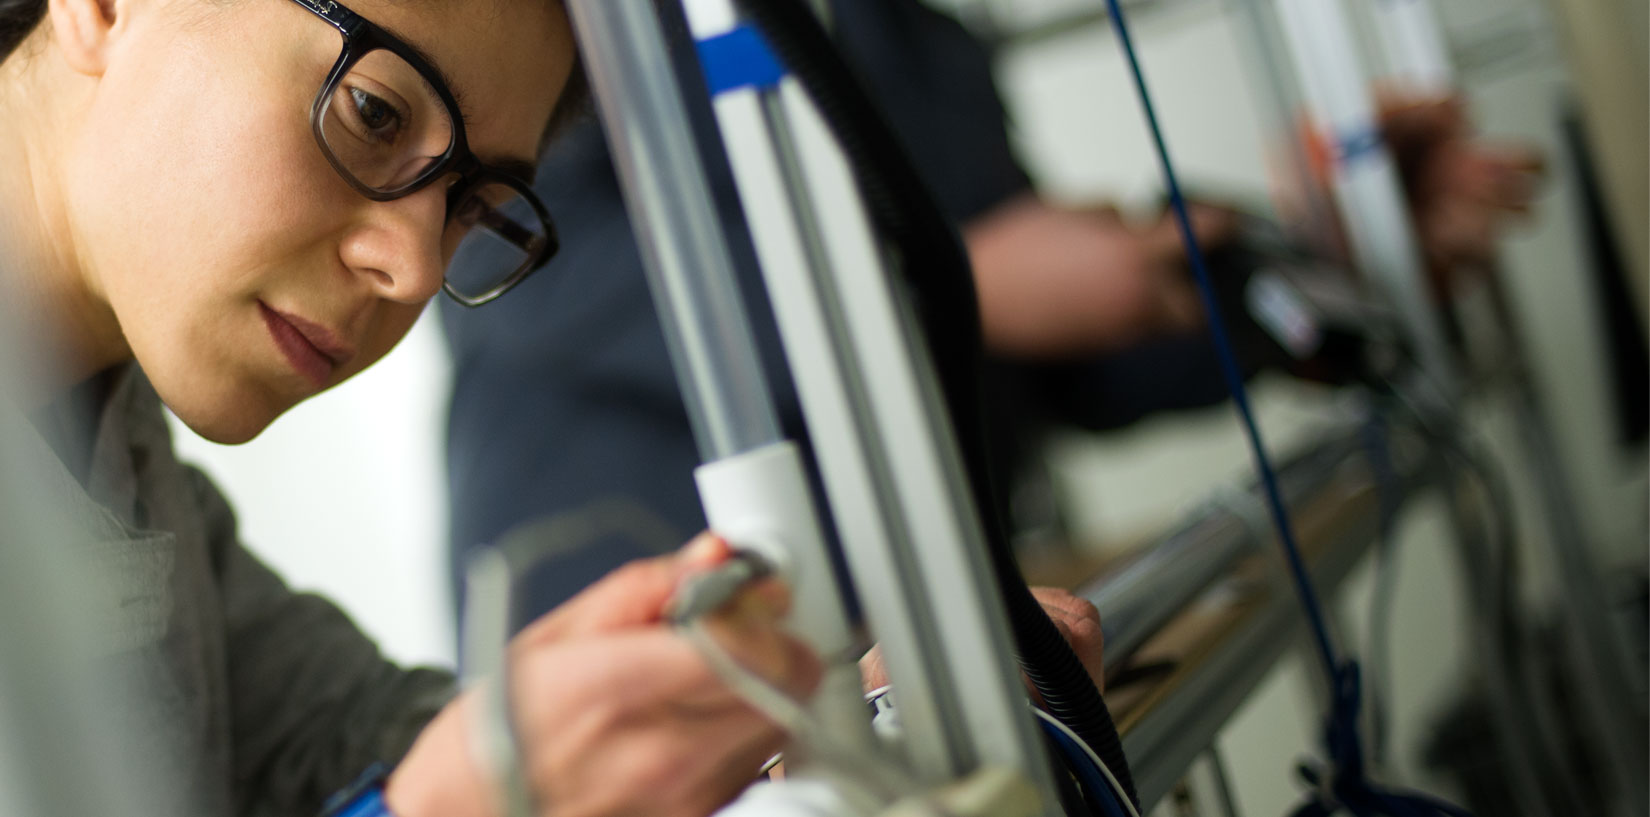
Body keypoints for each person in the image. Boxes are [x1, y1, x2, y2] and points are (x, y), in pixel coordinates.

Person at [0, 1, 1053, 816]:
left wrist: (746, 731)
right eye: (374, 111)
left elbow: (338, 742)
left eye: (471, 209)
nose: (413, 268)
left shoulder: (110, 456)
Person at [440, 0, 1542, 613]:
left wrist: (1327, 255)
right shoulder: (571, 32)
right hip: (641, 649)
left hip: (935, 660)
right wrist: (959, 280)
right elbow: (533, 280)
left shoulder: (927, 46)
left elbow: (1060, 355)